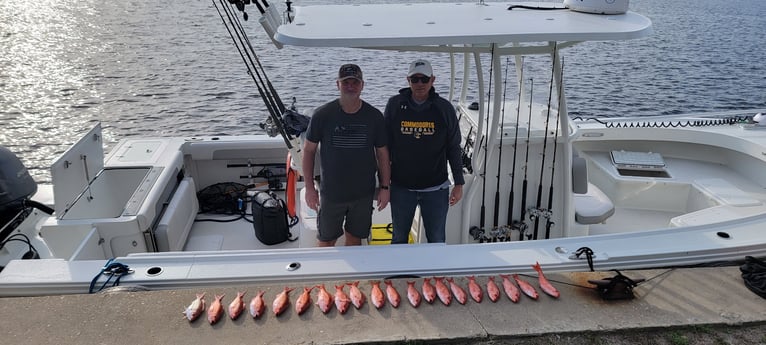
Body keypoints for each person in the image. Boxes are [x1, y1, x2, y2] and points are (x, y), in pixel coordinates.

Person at [302, 64, 391, 247]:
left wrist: (385, 187)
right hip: (332, 194)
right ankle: (326, 275)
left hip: (363, 194)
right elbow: (309, 151)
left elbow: (382, 153)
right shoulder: (322, 115)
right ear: (338, 84)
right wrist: (310, 188)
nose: (350, 86)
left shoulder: (374, 116)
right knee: (326, 240)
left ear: (362, 85)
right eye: (346, 82)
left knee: (354, 238)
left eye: (355, 82)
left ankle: (352, 277)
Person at [384, 59, 465, 244]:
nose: (419, 84)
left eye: (424, 79)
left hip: (436, 188)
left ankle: (436, 274)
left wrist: (458, 183)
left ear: (432, 80)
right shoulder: (395, 105)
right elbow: (383, 147)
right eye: (415, 79)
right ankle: (400, 273)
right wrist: (383, 184)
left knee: (436, 239)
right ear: (408, 80)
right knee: (398, 237)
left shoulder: (444, 108)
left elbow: (453, 146)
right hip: (401, 187)